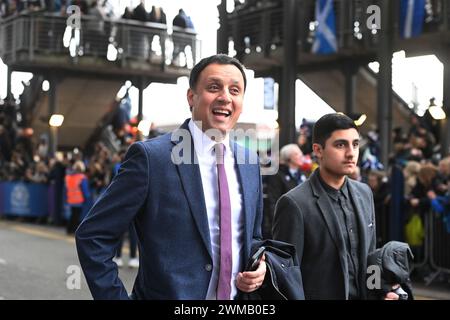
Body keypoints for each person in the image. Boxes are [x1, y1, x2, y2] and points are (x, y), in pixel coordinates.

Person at [76, 54, 266, 300]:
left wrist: (261, 266)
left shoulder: (250, 162)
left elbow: (253, 238)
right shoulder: (151, 158)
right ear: (191, 97)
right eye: (213, 87)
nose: (225, 97)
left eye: (235, 90)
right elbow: (93, 236)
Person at [272, 113, 399, 300]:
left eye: (355, 144)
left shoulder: (365, 193)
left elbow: (372, 257)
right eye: (341, 145)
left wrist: (380, 291)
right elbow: (286, 277)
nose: (351, 153)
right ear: (318, 150)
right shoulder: (294, 203)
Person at [263, 144, 306, 238]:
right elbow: (273, 202)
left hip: (303, 222)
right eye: (296, 154)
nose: (301, 156)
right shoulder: (277, 175)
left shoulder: (302, 175)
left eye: (300, 153)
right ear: (288, 158)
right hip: (286, 224)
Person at [65, 161, 90, 234]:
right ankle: (74, 230)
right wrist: (87, 197)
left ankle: (69, 229)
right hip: (79, 200)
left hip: (71, 199)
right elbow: (85, 189)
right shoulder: (82, 177)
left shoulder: (69, 177)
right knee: (77, 217)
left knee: (73, 215)